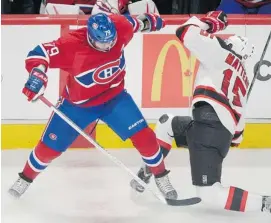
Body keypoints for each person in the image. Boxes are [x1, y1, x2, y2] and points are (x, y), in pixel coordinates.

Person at [8, 13, 178, 200]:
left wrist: (151, 21)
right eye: (102, 43)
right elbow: (39, 53)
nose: (108, 46)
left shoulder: (121, 26)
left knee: (145, 137)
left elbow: (138, 22)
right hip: (77, 106)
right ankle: (24, 179)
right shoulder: (71, 45)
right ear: (90, 36)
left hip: (115, 98)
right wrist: (38, 75)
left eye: (111, 41)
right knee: (48, 149)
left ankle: (161, 176)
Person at [130, 11, 271, 213]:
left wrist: (208, 22)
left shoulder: (220, 50)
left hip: (207, 128)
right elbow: (238, 134)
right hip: (214, 132)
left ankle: (265, 203)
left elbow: (185, 32)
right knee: (167, 123)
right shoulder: (243, 77)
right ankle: (152, 170)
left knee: (209, 193)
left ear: (230, 44)